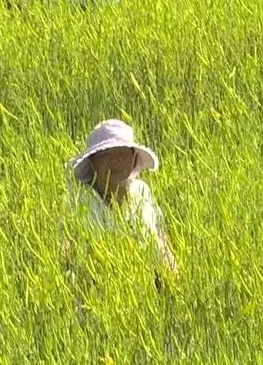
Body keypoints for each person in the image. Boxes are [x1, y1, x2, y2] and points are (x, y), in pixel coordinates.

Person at [63, 119, 178, 281]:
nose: (115, 159)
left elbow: (162, 241)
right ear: (92, 162)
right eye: (105, 154)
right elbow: (67, 255)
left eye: (122, 152)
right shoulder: (77, 201)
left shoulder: (142, 193)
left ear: (133, 159)